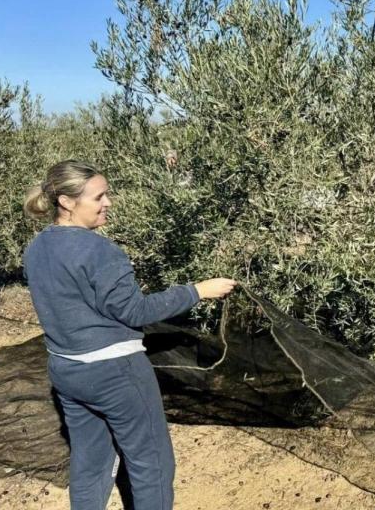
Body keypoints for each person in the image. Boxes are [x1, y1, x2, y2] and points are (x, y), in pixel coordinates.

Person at [23, 160, 236, 509]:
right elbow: (134, 312)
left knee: (90, 463)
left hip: (66, 371)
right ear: (66, 201)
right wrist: (197, 290)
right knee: (151, 463)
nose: (108, 203)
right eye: (99, 197)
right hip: (115, 373)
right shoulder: (99, 251)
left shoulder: (37, 248)